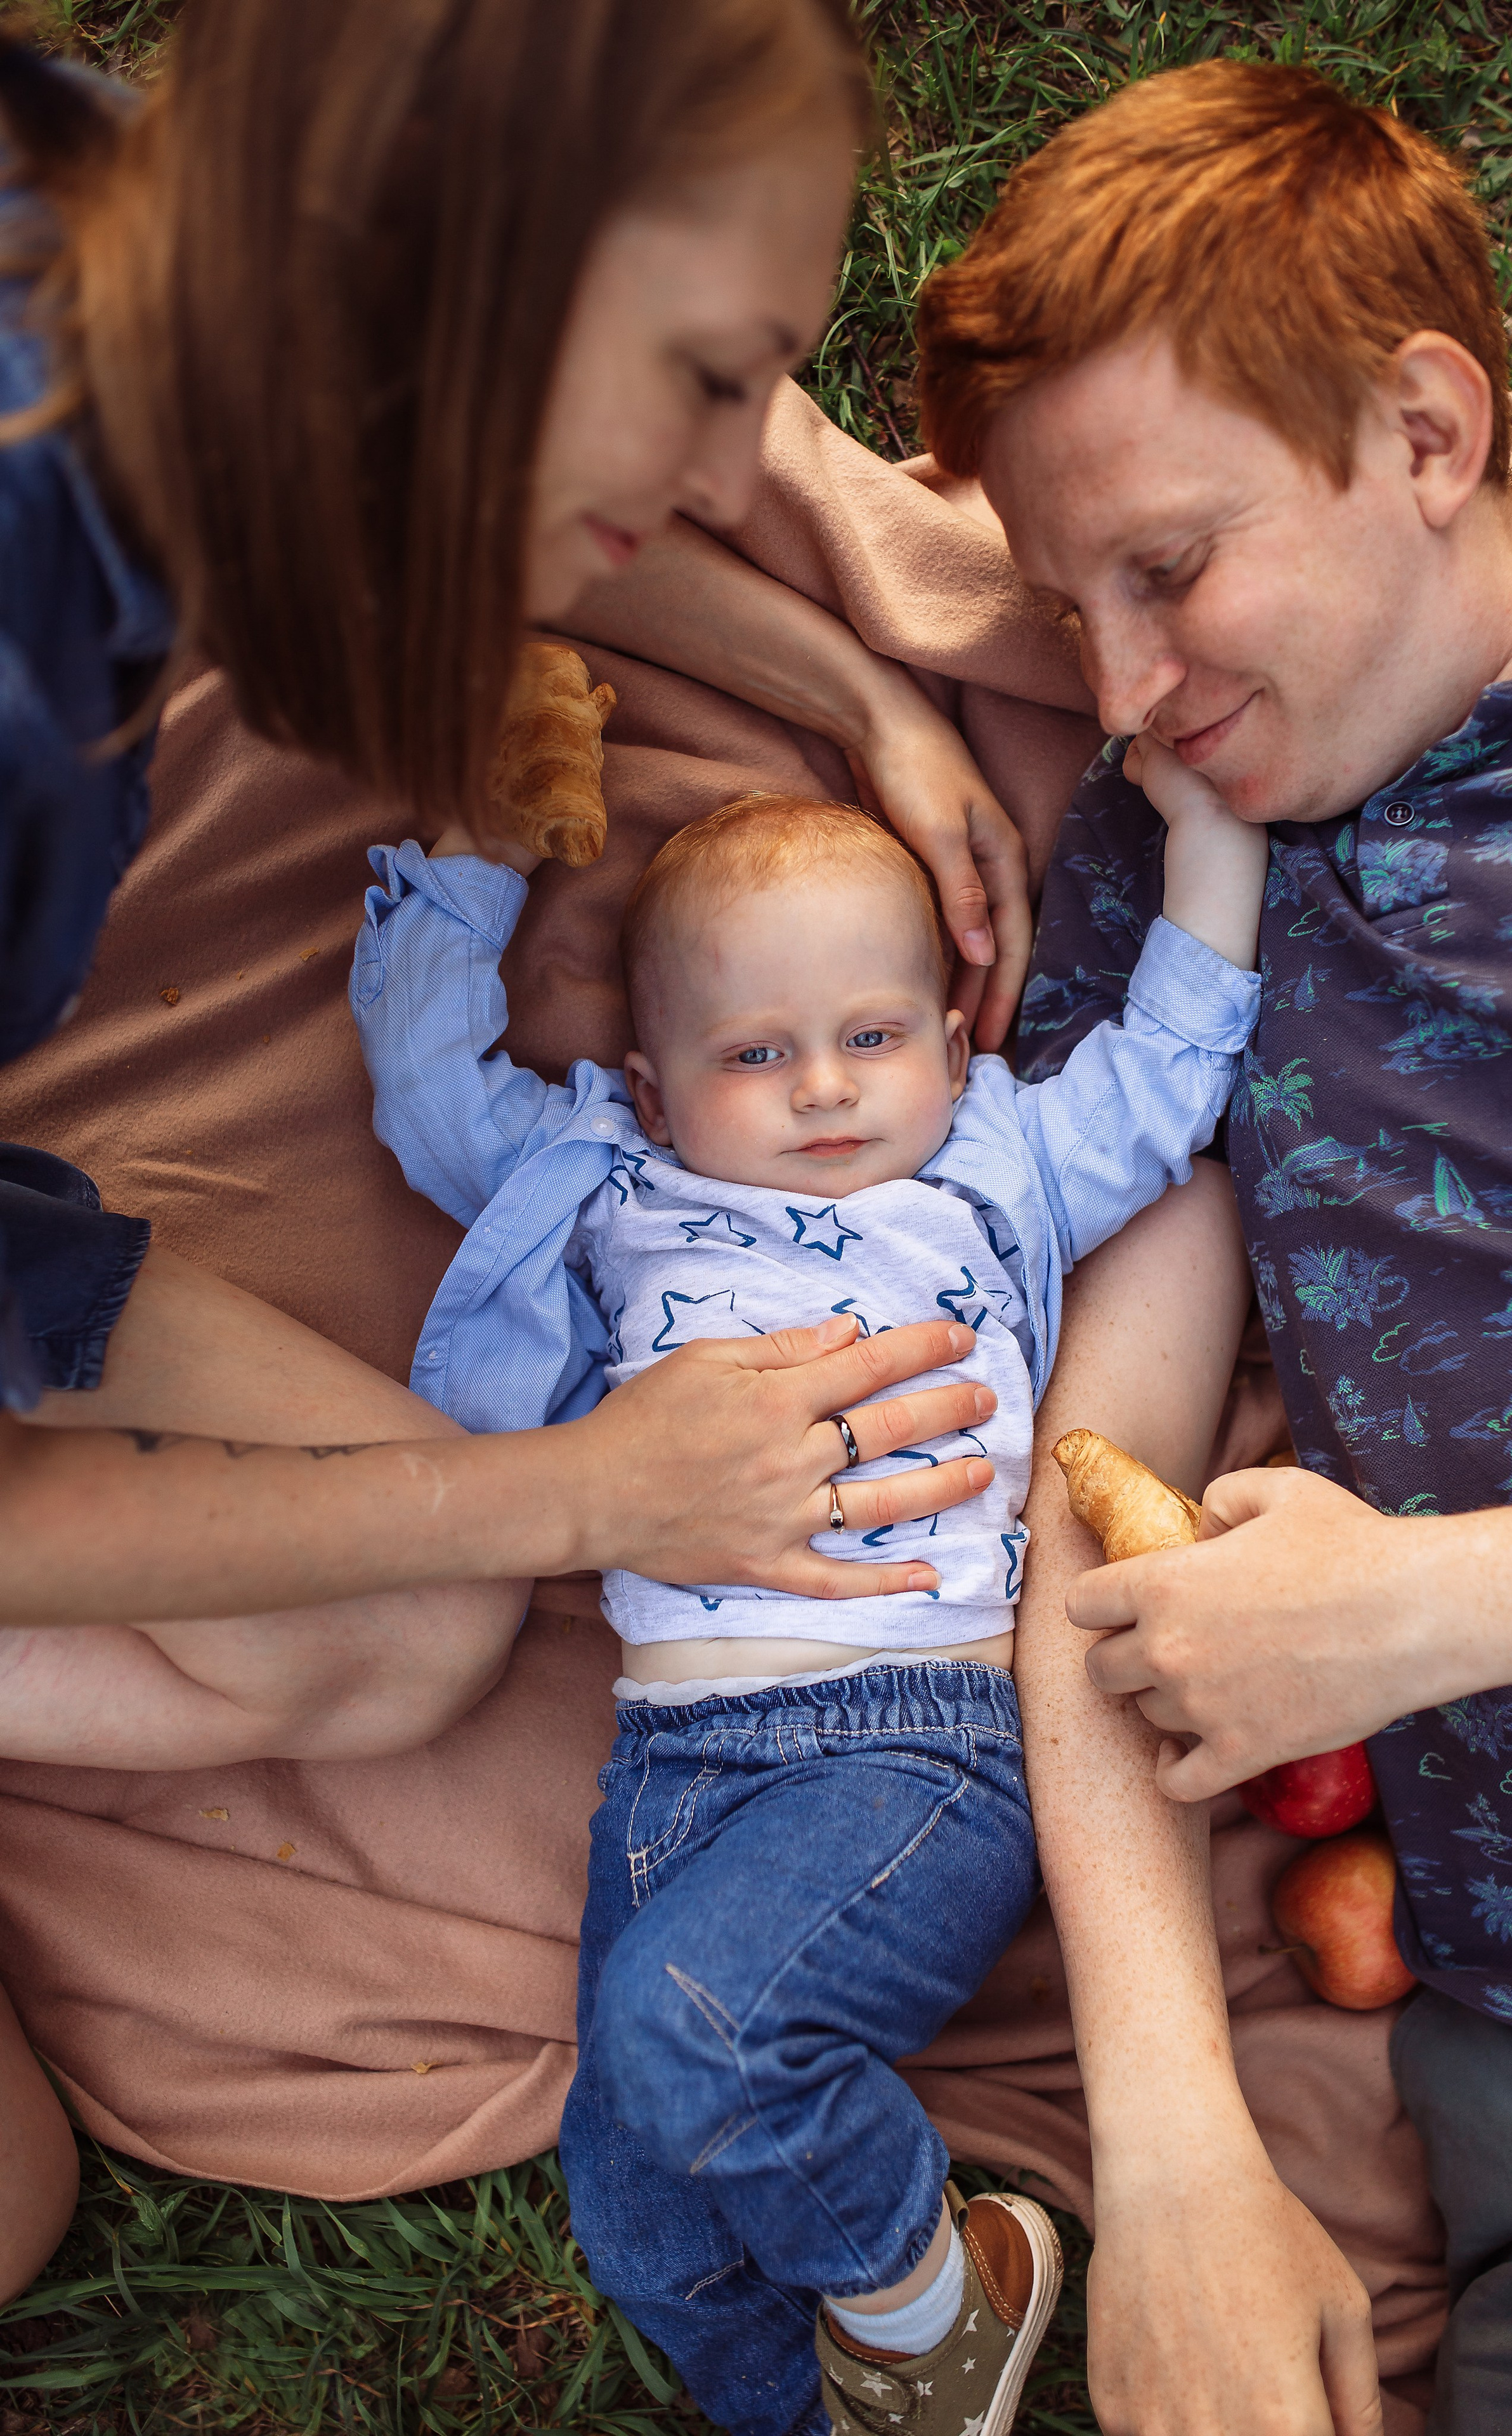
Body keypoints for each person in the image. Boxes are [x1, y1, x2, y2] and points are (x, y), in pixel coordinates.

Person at [0, 1, 1026, 2305]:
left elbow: (417, 462)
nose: (739, 452)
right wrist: (588, 1495)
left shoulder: (163, 233)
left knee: (408, 1620)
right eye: (705, 374)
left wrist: (859, 694)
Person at [920, 54, 1512, 2436]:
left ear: (1428, 431)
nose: (1117, 692)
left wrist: (1429, 1609)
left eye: (1169, 568)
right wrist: (1186, 2150)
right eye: (1061, 605)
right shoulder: (1173, 869)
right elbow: (1087, 1492)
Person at [350, 769, 1263, 2436]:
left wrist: (1216, 838)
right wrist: (482, 841)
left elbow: (1171, 1071)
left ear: (952, 1038)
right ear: (650, 1083)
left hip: (914, 1739)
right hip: (673, 1760)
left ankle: (941, 2298)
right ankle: (839, 2411)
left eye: (873, 1035)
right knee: (634, 2222)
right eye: (756, 1053)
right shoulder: (609, 1178)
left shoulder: (1002, 1159)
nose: (827, 1089)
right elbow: (424, 1092)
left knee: (689, 2033)